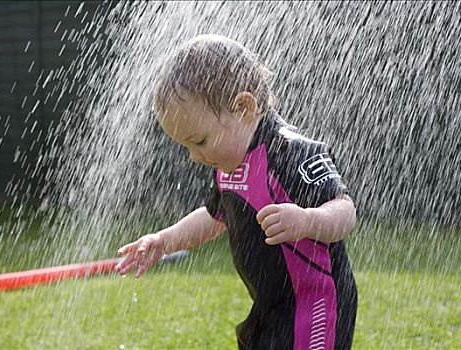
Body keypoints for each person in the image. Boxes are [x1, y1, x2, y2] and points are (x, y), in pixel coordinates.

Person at [116, 34, 358, 350]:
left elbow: (345, 208)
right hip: (270, 306)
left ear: (244, 108)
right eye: (186, 147)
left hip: (316, 306)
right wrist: (165, 240)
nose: (194, 156)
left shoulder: (291, 152)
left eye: (199, 141)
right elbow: (215, 216)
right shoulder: (230, 165)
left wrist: (308, 220)